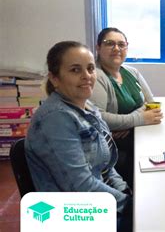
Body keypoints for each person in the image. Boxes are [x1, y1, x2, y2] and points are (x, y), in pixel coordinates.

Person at [25, 41, 132, 231]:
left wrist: (125, 192)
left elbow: (106, 167)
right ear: (55, 78)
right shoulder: (56, 119)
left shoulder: (87, 107)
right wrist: (129, 205)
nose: (87, 76)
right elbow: (80, 186)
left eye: (90, 69)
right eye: (75, 70)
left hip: (102, 201)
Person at [90, 27, 163, 186]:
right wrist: (140, 118)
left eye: (121, 44)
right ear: (98, 47)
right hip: (116, 145)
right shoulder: (95, 76)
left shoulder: (132, 72)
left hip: (135, 132)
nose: (117, 48)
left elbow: (152, 105)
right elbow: (99, 118)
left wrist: (131, 121)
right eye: (110, 43)